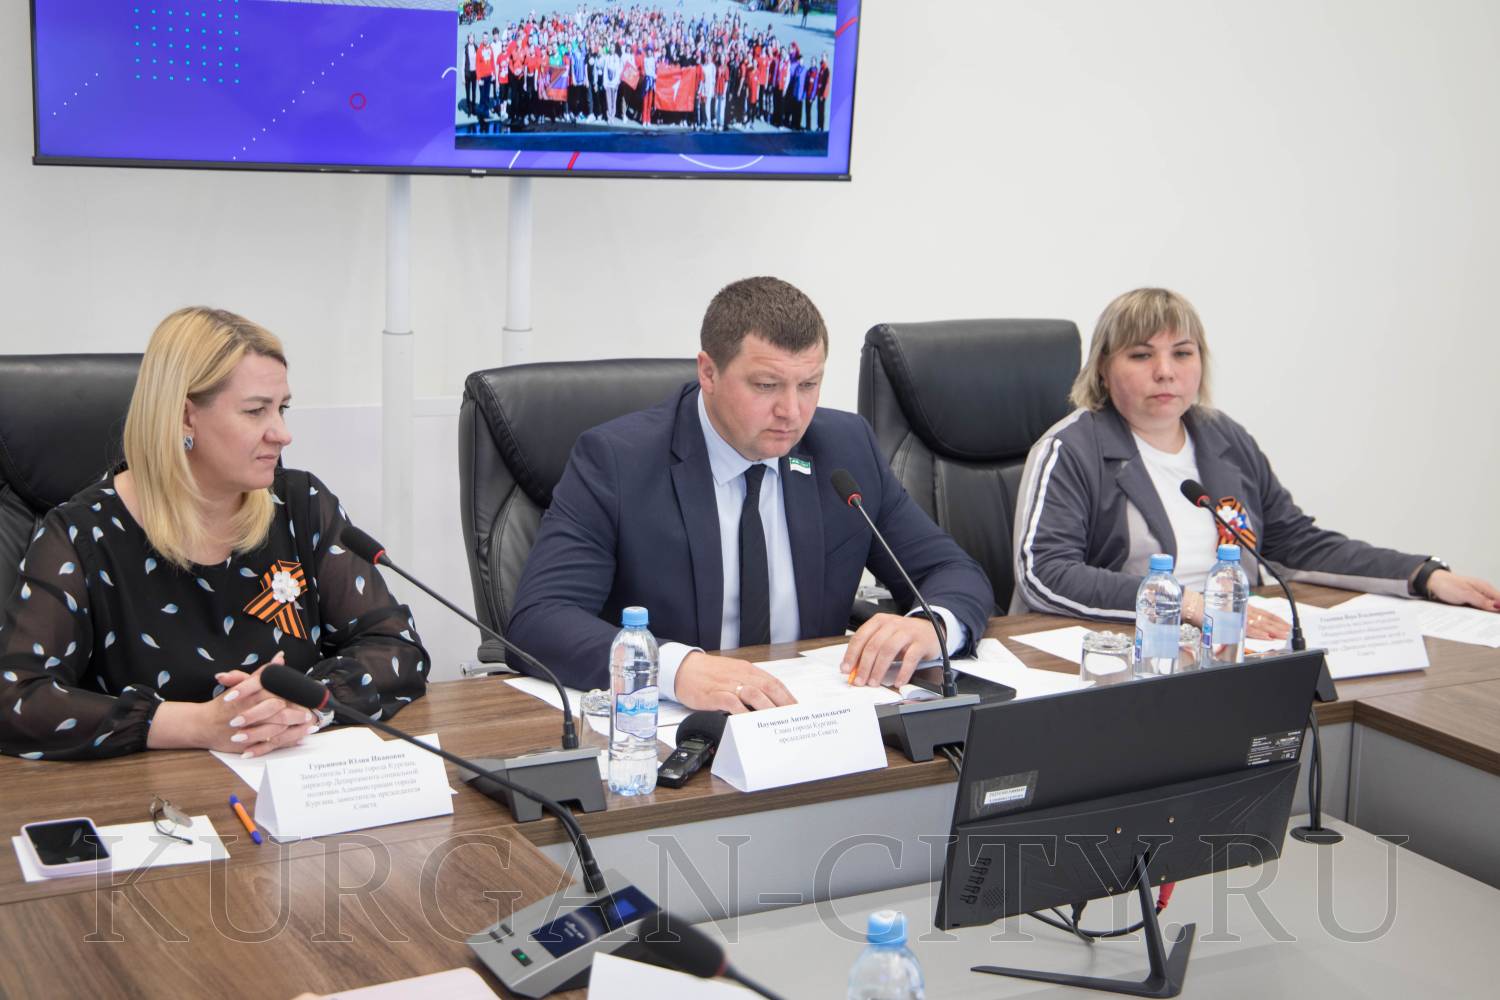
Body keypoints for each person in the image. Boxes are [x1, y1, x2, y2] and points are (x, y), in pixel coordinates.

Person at [507, 277, 995, 714]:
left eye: (809, 384)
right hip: (676, 730)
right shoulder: (618, 461)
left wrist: (930, 625)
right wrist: (674, 668)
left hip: (811, 719)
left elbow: (951, 571)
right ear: (708, 372)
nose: (792, 411)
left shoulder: (844, 450)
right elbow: (540, 619)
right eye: (766, 385)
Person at [0, 308, 429, 761]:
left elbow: (396, 647)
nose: (283, 434)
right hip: (154, 794)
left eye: (281, 408)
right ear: (186, 417)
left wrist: (303, 704)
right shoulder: (83, 534)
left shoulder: (300, 505)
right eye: (256, 411)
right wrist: (198, 724)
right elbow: (14, 697)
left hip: (289, 780)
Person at [1010, 288, 1500, 635]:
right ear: (1102, 368)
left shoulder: (1222, 437)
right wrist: (1186, 605)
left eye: (1182, 353)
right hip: (1112, 648)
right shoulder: (1072, 448)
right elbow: (1045, 574)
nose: (1165, 372)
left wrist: (1423, 575)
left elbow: (1294, 542)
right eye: (1141, 356)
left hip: (1230, 640)